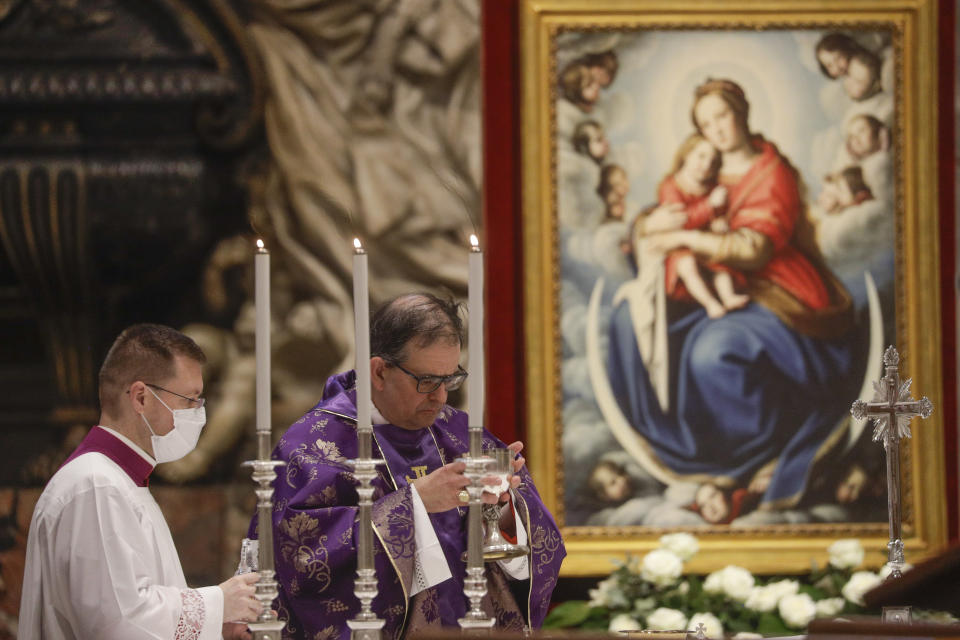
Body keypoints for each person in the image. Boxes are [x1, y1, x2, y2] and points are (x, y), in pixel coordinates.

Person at [609, 78, 862, 511]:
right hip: (706, 284)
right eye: (706, 123)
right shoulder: (703, 166)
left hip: (777, 291)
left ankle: (755, 451)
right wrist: (651, 227)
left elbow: (754, 247)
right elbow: (662, 212)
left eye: (722, 116)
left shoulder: (771, 171)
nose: (717, 130)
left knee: (713, 352)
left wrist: (681, 235)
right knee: (625, 323)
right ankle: (685, 443)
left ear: (741, 113)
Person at [253, 293, 565, 639]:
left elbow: (536, 547)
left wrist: (503, 507)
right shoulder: (313, 446)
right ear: (380, 371)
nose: (441, 397)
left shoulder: (460, 433)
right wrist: (415, 503)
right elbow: (302, 562)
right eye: (427, 381)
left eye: (450, 379)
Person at [19, 323, 262, 640]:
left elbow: (136, 605)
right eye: (190, 399)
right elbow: (116, 624)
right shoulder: (95, 486)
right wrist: (219, 603)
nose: (198, 413)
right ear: (141, 398)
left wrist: (213, 626)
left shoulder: (117, 481)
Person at [657, 133, 749, 318]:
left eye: (712, 161)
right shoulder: (670, 186)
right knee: (687, 265)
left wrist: (719, 222)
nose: (706, 165)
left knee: (719, 261)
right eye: (701, 156)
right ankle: (711, 303)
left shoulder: (709, 186)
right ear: (686, 154)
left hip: (702, 241)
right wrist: (709, 206)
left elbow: (717, 214)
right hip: (678, 245)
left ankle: (728, 296)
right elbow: (681, 221)